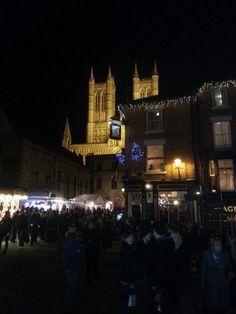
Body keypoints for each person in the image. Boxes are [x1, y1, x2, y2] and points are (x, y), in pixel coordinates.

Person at [201, 236, 234, 314]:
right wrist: (203, 284)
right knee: (213, 303)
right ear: (212, 246)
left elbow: (230, 269)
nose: (217, 247)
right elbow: (203, 270)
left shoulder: (225, 254)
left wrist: (229, 278)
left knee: (224, 303)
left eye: (219, 245)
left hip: (223, 282)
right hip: (211, 282)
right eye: (215, 245)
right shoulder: (206, 254)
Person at [62, 224, 82, 311]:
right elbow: (74, 254)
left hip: (68, 265)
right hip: (71, 265)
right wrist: (79, 251)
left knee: (71, 284)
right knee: (72, 285)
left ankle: (69, 301)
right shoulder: (72, 242)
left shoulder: (67, 240)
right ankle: (69, 302)